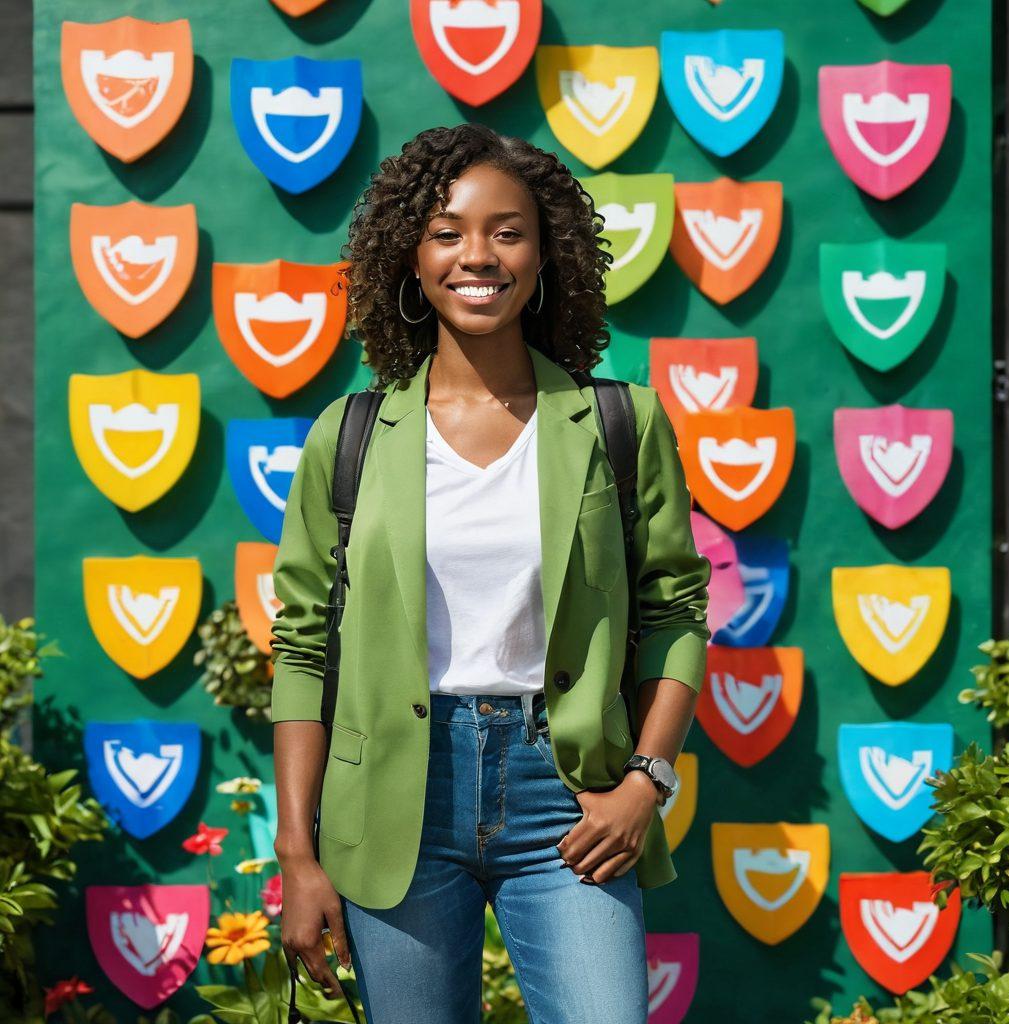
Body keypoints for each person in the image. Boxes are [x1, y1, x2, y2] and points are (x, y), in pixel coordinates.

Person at [270, 122, 712, 1024]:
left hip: (569, 795)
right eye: (447, 233)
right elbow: (304, 647)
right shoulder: (347, 437)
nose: (478, 255)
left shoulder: (621, 421)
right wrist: (297, 854)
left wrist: (647, 781)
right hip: (394, 799)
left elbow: (675, 614)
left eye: (508, 232)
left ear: (546, 256)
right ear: (411, 258)